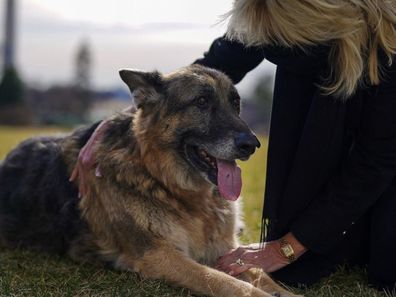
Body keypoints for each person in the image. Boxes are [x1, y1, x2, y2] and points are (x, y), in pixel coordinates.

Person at [72, 0, 396, 291]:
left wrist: (286, 247)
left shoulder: (387, 41)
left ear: (323, 21)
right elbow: (212, 67)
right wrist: (121, 121)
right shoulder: (269, 11)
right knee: (308, 268)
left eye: (288, 42)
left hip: (385, 162)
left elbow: (377, 158)